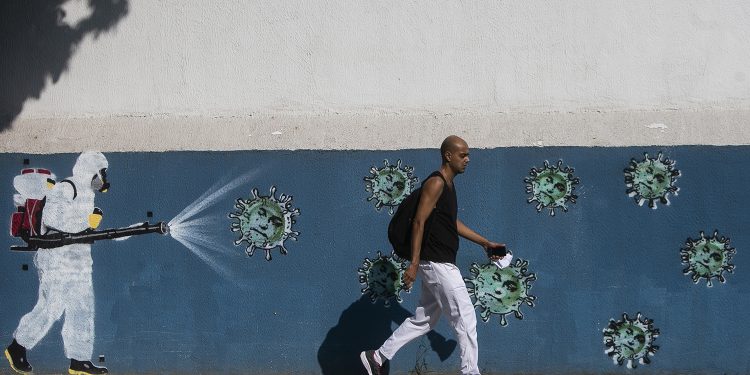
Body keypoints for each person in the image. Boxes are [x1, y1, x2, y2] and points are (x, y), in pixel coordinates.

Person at [360, 135, 505, 375]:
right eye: (463, 155)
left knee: (424, 320)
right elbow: (418, 222)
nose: (467, 159)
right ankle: (471, 372)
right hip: (437, 264)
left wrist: (485, 243)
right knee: (466, 319)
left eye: (468, 155)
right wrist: (414, 265)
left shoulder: (448, 185)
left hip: (438, 263)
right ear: (448, 156)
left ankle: (377, 356)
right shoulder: (436, 183)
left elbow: (451, 222)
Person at [5, 152, 110, 375]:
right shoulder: (66, 188)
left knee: (82, 309)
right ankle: (17, 346)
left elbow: (81, 229)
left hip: (79, 261)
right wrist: (85, 222)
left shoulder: (88, 195)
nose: (104, 178)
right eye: (102, 172)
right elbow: (52, 219)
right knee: (51, 307)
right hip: (56, 259)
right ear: (90, 171)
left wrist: (91, 225)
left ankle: (79, 361)